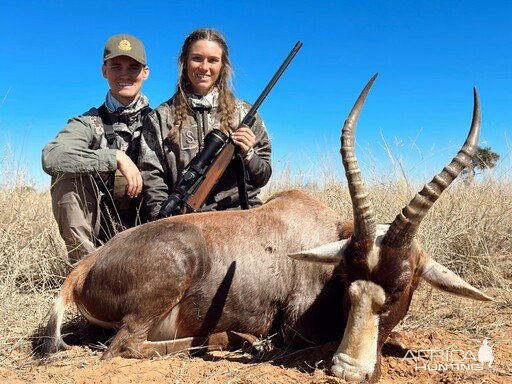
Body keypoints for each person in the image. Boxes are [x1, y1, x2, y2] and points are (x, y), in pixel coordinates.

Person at [139, 28, 271, 221]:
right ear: (184, 62)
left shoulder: (244, 113)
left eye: (213, 60)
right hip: (183, 220)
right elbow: (152, 179)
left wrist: (249, 155)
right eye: (197, 58)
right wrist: (164, 223)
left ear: (223, 65)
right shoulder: (160, 117)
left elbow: (263, 176)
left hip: (241, 219)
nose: (204, 67)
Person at [42, 34, 151, 264]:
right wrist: (115, 157)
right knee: (66, 179)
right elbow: (52, 156)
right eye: (116, 66)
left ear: (145, 72)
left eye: (133, 67)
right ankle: (86, 272)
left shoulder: (162, 120)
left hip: (152, 227)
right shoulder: (88, 122)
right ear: (104, 71)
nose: (125, 74)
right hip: (102, 229)